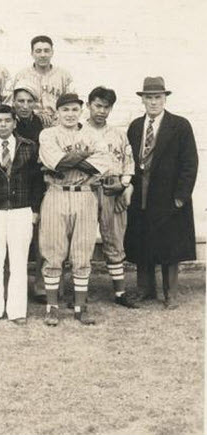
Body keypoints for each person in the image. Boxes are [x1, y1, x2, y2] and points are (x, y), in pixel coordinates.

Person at [124, 77, 198, 309]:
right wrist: (127, 187)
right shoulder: (136, 126)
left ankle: (170, 293)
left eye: (158, 97)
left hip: (168, 196)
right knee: (142, 240)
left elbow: (190, 163)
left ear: (165, 98)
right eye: (149, 97)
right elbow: (127, 160)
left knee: (169, 244)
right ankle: (144, 289)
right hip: (141, 194)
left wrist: (181, 197)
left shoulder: (180, 125)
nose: (153, 102)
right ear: (142, 100)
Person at [38, 93, 110, 326]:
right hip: (56, 193)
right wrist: (84, 156)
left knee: (82, 252)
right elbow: (56, 162)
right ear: (57, 112)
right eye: (65, 109)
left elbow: (100, 166)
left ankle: (80, 307)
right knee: (52, 252)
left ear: (81, 111)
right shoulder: (48, 134)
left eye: (74, 109)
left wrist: (69, 159)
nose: (70, 114)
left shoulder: (93, 134)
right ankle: (52, 308)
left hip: (85, 194)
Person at [0, 105, 43, 324]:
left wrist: (34, 209)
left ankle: (17, 311)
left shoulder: (29, 147)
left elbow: (37, 182)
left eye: (7, 121)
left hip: (21, 210)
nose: (3, 125)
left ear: (14, 123)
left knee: (19, 262)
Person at [85, 86, 138, 308]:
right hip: (87, 190)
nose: (101, 111)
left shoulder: (118, 134)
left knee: (114, 239)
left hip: (112, 189)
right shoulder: (79, 131)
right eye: (97, 106)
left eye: (106, 107)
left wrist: (124, 185)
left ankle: (120, 293)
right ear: (88, 105)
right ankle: (79, 294)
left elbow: (128, 164)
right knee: (82, 241)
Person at [11, 84, 47, 303]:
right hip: (14, 187)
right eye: (20, 101)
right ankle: (15, 286)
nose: (24, 106)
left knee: (42, 240)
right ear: (13, 102)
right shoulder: (7, 122)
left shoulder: (42, 125)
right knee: (14, 240)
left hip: (38, 184)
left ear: (35, 103)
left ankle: (42, 286)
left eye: (29, 101)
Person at [11, 35, 74, 127]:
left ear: (52, 52)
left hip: (57, 124)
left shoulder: (64, 75)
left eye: (46, 51)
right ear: (32, 53)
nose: (43, 55)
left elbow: (71, 103)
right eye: (38, 51)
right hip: (29, 124)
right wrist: (36, 114)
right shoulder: (22, 75)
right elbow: (12, 104)